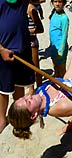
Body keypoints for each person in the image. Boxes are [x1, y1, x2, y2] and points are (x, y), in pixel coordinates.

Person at [0, 0, 35, 133]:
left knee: (20, 86)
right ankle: (2, 119)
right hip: (4, 51)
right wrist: (1, 49)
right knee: (4, 89)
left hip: (23, 50)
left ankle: (19, 116)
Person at [49, 0, 69, 78]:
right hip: (53, 46)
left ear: (64, 3)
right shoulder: (54, 13)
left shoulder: (64, 18)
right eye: (55, 1)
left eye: (60, 2)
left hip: (60, 47)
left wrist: (61, 50)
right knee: (55, 68)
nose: (57, 4)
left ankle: (65, 87)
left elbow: (64, 35)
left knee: (62, 70)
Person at [27, 0, 44, 93]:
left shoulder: (31, 9)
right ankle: (31, 89)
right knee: (27, 67)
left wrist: (28, 31)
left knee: (35, 68)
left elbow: (40, 29)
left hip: (32, 42)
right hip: (24, 41)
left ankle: (40, 88)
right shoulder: (22, 7)